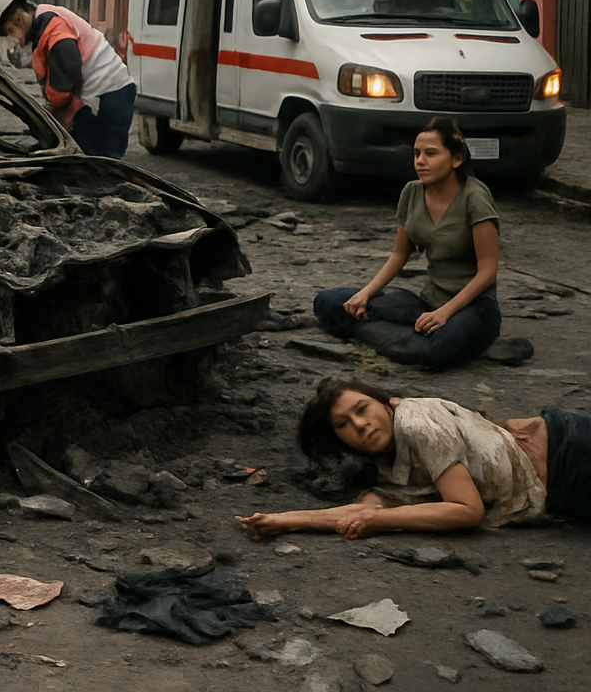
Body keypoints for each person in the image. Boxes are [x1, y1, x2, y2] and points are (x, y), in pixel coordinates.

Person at [236, 375, 591, 541]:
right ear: (337, 439)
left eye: (363, 409)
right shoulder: (385, 462)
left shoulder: (416, 424)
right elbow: (364, 510)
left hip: (570, 450)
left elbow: (467, 510)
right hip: (561, 487)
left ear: (386, 402)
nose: (361, 425)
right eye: (344, 424)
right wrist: (284, 521)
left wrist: (376, 522)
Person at [311, 117, 525, 368]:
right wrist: (364, 294)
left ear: (456, 159)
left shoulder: (475, 197)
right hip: (425, 302)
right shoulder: (411, 192)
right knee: (329, 301)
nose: (420, 161)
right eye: (417, 154)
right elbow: (399, 255)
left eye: (431, 154)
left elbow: (488, 271)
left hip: (473, 308)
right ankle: (408, 336)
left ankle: (370, 332)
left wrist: (445, 313)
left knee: (436, 351)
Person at [0, 0, 136, 158]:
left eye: (9, 30)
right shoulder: (45, 19)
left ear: (18, 19)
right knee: (82, 153)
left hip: (108, 94)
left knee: (101, 159)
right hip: (104, 93)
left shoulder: (53, 28)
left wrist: (55, 110)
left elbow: (67, 74)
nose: (12, 38)